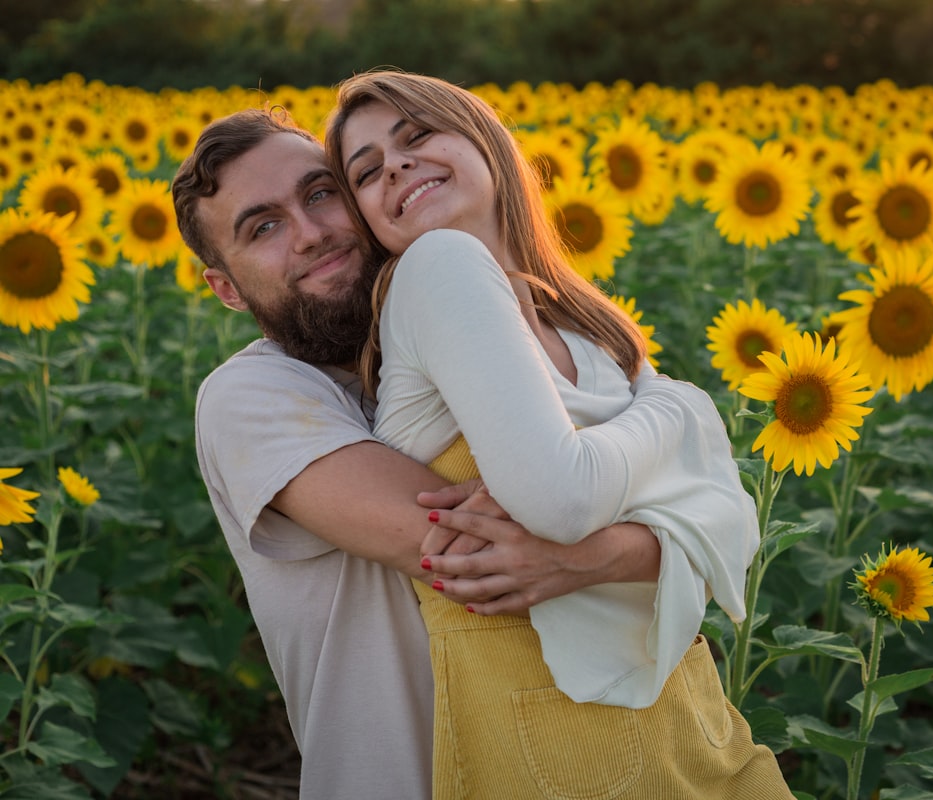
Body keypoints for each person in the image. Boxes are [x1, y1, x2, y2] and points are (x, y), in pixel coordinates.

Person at [171, 108, 671, 800]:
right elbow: (484, 557)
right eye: (264, 227)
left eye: (320, 194)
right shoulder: (250, 396)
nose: (313, 234)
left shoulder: (480, 341)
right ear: (225, 287)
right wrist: (675, 471)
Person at [327, 70, 795, 798]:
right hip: (567, 747)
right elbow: (561, 500)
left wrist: (612, 547)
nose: (395, 166)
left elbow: (734, 527)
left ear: (483, 138)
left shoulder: (581, 327)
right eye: (366, 172)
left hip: (688, 717)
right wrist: (684, 415)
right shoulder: (436, 268)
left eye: (417, 135)